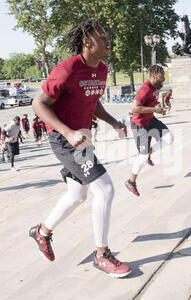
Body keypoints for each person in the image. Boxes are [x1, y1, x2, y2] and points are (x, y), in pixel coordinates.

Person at [29, 20, 131, 278]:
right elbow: (38, 104)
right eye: (102, 37)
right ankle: (101, 254)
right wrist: (68, 132)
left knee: (77, 195)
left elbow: (93, 101)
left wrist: (114, 123)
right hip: (65, 139)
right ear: (87, 42)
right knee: (105, 189)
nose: (108, 40)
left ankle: (42, 232)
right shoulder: (66, 70)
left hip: (82, 138)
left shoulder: (103, 69)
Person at [125, 65, 174, 197]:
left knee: (169, 138)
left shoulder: (157, 86)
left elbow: (153, 102)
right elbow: (134, 108)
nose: (163, 77)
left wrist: (160, 107)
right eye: (161, 75)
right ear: (153, 77)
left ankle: (148, 153)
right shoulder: (145, 88)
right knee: (142, 157)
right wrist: (154, 110)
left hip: (150, 120)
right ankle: (131, 181)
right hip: (139, 124)